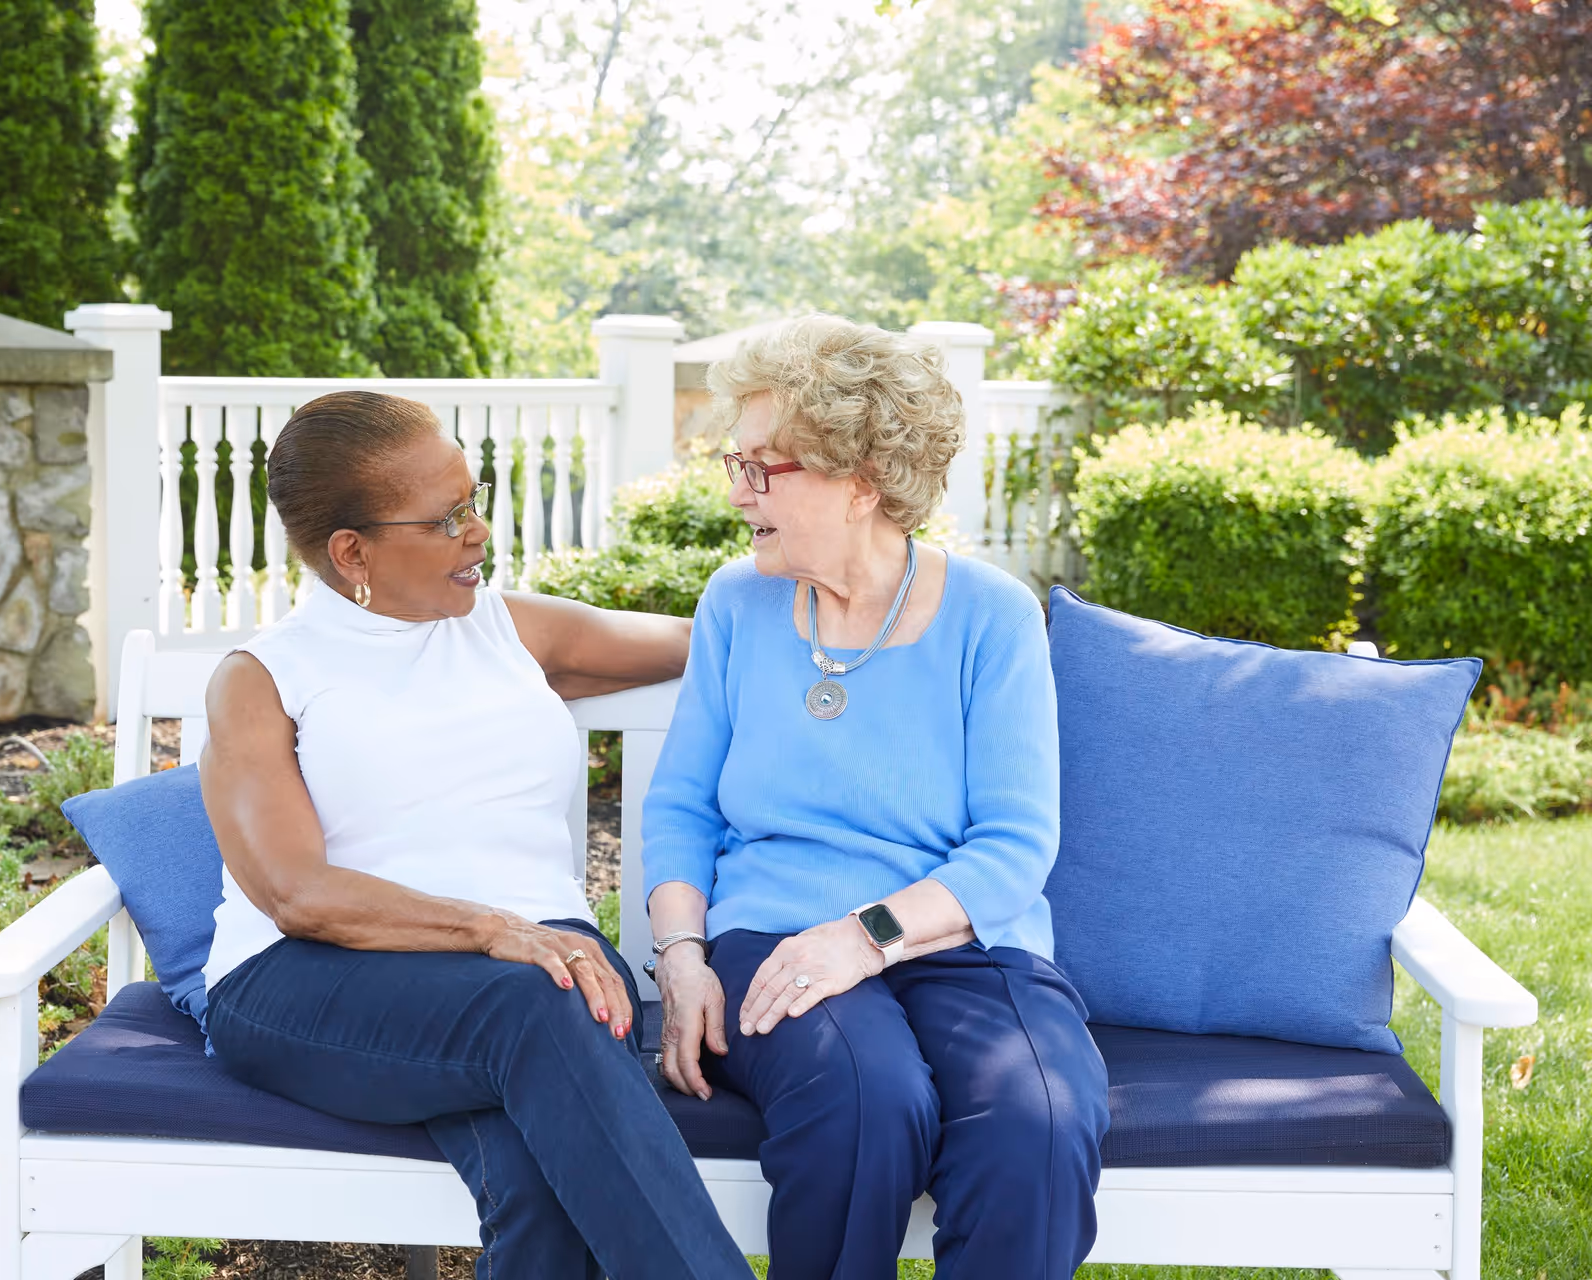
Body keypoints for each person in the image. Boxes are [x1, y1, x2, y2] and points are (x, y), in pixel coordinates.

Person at [198, 390, 752, 1280]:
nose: (479, 530)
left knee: (538, 1182)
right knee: (539, 1000)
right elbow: (295, 892)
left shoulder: (510, 629)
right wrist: (493, 929)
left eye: (474, 497)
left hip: (527, 979)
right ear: (353, 552)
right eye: (447, 516)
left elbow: (718, 642)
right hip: (306, 982)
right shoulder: (264, 678)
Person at [644, 316, 1110, 1280]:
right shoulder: (738, 603)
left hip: (964, 942)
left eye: (765, 469)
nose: (739, 492)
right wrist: (682, 961)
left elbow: (1016, 843)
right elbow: (682, 810)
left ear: (863, 480)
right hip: (772, 939)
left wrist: (865, 936)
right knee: (864, 1100)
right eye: (738, 463)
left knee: (1038, 1119)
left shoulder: (993, 615)